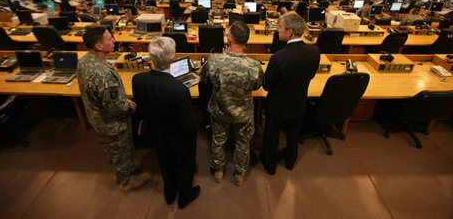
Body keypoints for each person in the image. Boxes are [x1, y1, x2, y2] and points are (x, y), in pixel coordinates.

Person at [77, 26, 150, 192]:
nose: (114, 40)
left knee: (112, 148)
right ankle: (126, 181)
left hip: (97, 117)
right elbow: (114, 106)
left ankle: (127, 166)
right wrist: (129, 107)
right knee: (119, 149)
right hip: (112, 122)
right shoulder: (103, 74)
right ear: (99, 47)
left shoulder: (85, 60)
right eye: (110, 38)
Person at [132, 37, 200, 209]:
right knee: (185, 164)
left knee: (164, 161)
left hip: (156, 132)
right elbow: (187, 123)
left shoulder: (138, 80)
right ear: (172, 58)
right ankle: (185, 196)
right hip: (178, 137)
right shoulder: (179, 89)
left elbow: (141, 110)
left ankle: (169, 193)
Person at [199, 21, 264, 186]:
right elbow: (257, 85)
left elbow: (204, 78)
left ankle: (219, 171)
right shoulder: (255, 66)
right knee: (243, 142)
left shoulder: (215, 61)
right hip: (243, 113)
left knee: (218, 140)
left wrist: (223, 57)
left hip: (220, 111)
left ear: (229, 39)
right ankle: (239, 173)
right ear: (246, 41)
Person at [261, 13, 320, 175]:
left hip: (277, 106)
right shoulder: (314, 51)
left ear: (290, 32)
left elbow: (266, 86)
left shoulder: (279, 58)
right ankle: (290, 161)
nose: (277, 30)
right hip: (299, 103)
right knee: (293, 134)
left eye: (279, 27)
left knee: (272, 135)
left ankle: (270, 165)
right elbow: (312, 75)